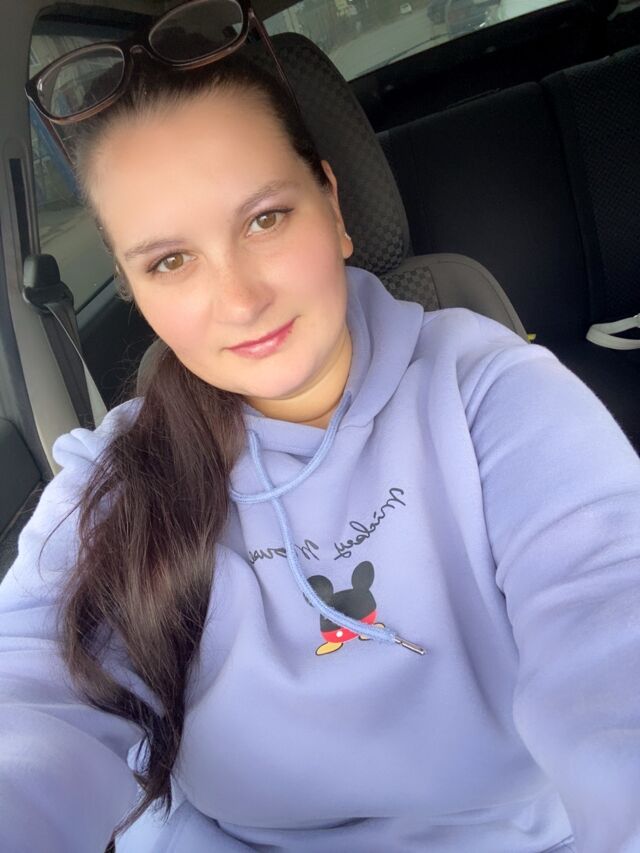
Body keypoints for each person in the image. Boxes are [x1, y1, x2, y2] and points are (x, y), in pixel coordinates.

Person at [3, 14, 640, 853]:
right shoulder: (118, 476)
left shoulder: (489, 392)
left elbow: (613, 623)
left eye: (265, 219)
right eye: (170, 261)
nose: (240, 300)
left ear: (333, 206)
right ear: (133, 287)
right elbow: (28, 698)